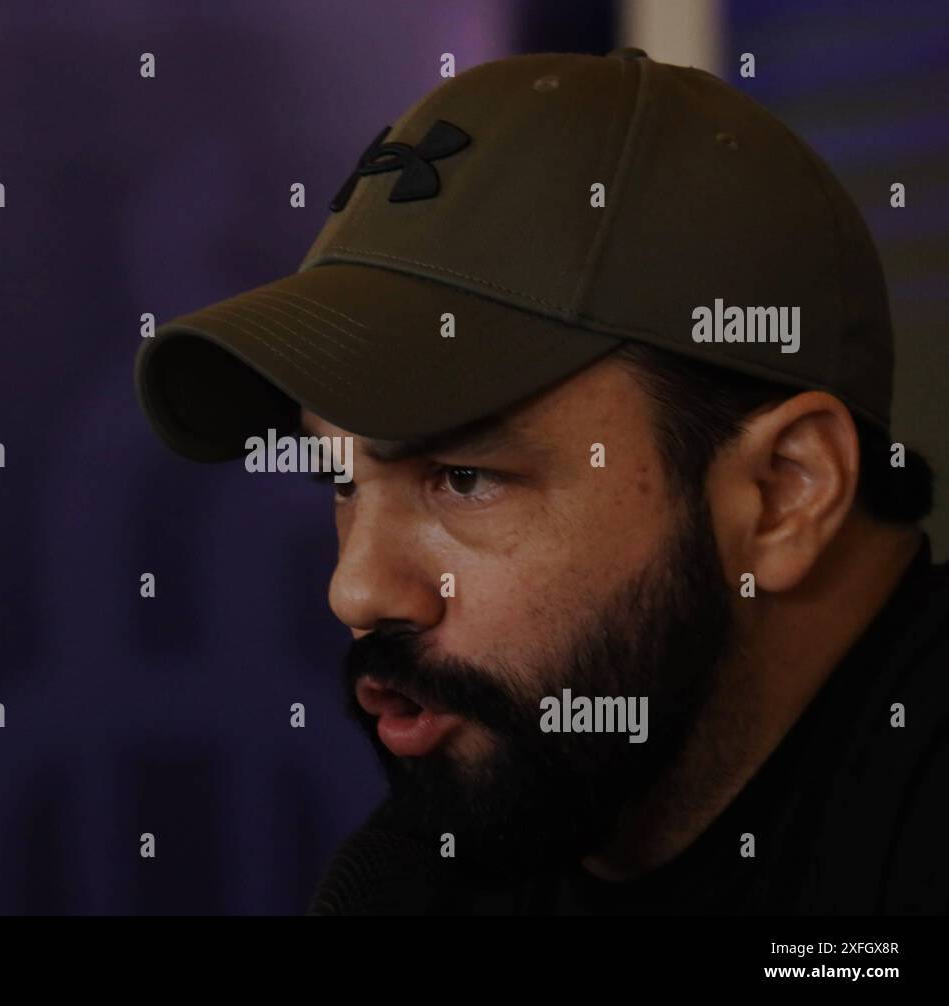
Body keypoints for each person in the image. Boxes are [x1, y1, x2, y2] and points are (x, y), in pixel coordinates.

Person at [133, 49, 946, 914]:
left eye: (464, 476)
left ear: (786, 492)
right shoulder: (469, 849)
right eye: (342, 478)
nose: (358, 589)